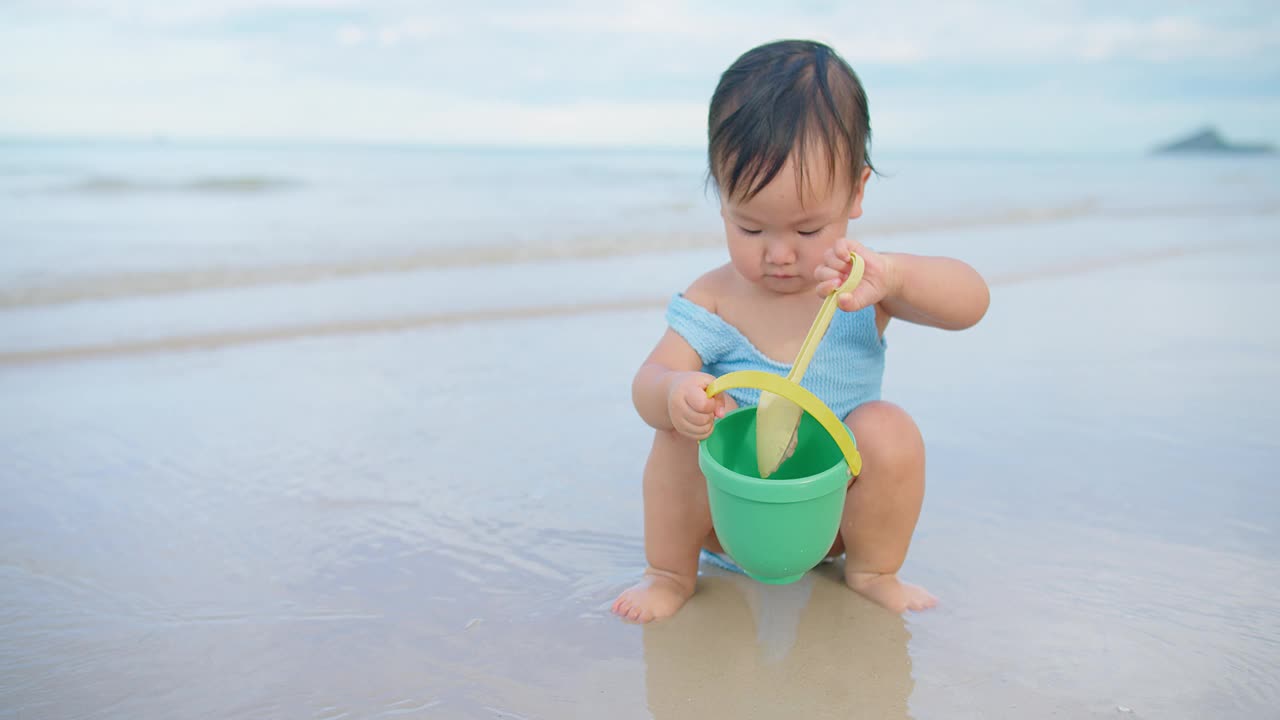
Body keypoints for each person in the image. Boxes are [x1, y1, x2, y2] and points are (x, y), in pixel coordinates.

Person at [611, 39, 990, 623]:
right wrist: (672, 394)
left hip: (830, 524)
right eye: (751, 228)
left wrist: (894, 276)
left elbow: (971, 302)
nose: (780, 255)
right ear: (720, 196)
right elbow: (648, 379)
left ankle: (873, 570)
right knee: (682, 429)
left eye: (808, 229)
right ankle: (668, 573)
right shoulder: (713, 297)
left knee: (887, 429)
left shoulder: (860, 286)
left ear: (856, 193)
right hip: (729, 519)